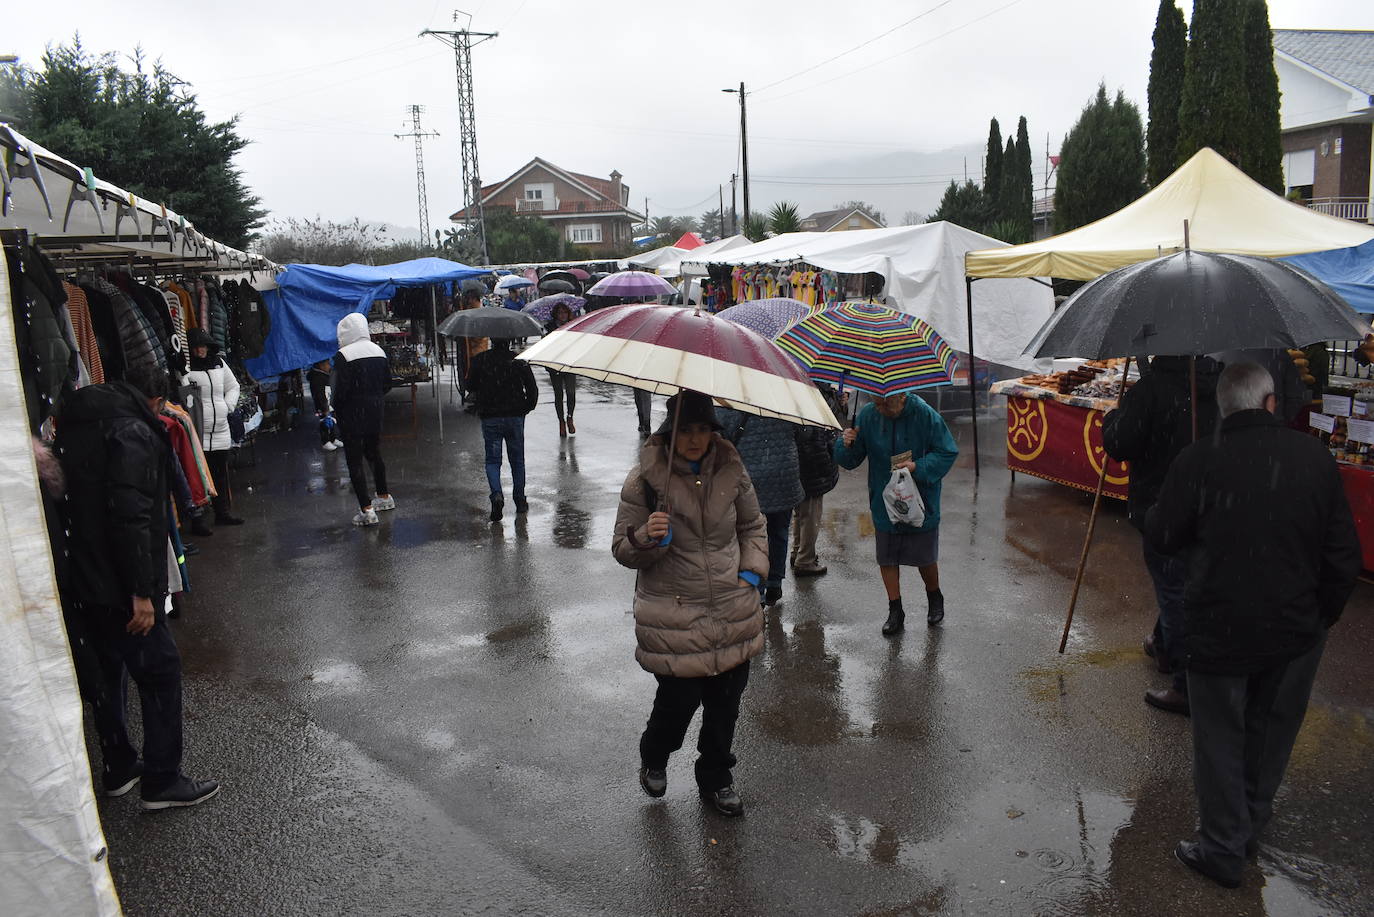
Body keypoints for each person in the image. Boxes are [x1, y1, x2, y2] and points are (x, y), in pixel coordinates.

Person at [1145, 362, 1360, 889]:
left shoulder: (1198, 460)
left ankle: (1223, 845)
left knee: (1219, 738)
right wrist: (1319, 619)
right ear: (1269, 403)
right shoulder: (1313, 456)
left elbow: (1163, 537)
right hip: (1294, 631)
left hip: (1218, 628)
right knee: (1269, 732)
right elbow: (1343, 555)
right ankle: (1248, 825)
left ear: (1223, 406)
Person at [53, 364, 220, 810]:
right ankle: (162, 780)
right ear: (158, 403)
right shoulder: (134, 433)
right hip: (119, 581)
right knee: (160, 671)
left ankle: (119, 765)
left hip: (82, 574)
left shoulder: (76, 422)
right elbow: (130, 517)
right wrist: (143, 593)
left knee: (108, 673)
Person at [612, 390, 767, 817]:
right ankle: (655, 754)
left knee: (725, 709)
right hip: (675, 613)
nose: (696, 439)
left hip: (734, 607)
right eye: (687, 430)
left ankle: (716, 777)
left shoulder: (732, 469)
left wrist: (751, 574)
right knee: (677, 704)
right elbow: (623, 551)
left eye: (704, 429)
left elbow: (753, 524)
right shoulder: (644, 480)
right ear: (669, 433)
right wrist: (645, 537)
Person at [1102, 355, 1222, 716]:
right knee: (1181, 580)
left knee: (1173, 589)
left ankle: (1186, 684)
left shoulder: (1152, 388)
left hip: (1161, 504)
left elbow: (1120, 443)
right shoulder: (1217, 384)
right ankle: (1163, 644)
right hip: (1209, 503)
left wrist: (1112, 418)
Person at [834, 391, 958, 635]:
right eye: (876, 403)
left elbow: (947, 451)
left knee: (924, 556)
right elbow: (851, 460)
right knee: (887, 556)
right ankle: (895, 609)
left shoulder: (924, 414)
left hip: (920, 497)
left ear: (901, 396)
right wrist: (844, 443)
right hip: (885, 498)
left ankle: (934, 596)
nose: (880, 408)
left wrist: (917, 467)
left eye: (886, 404)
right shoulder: (868, 415)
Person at [717, 408, 803, 606]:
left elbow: (723, 435)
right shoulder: (787, 401)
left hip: (751, 476)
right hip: (784, 473)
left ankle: (758, 588)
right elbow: (802, 433)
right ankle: (774, 581)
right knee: (779, 532)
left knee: (752, 535)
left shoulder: (731, 402)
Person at [331, 313, 395, 527]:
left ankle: (366, 509)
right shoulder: (378, 351)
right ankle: (384, 496)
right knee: (374, 453)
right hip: (375, 411)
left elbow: (340, 391)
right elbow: (388, 383)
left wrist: (337, 408)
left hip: (351, 414)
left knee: (354, 459)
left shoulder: (343, 355)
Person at [466, 336, 539, 521]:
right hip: (515, 416)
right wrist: (525, 408)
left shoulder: (480, 360)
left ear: (492, 339)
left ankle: (497, 495)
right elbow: (532, 389)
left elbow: (470, 386)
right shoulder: (518, 361)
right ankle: (520, 500)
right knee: (517, 461)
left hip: (491, 417)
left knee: (492, 461)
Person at [182, 328, 243, 527]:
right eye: (197, 347)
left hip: (220, 428)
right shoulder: (186, 369)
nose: (201, 350)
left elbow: (233, 386)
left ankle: (222, 512)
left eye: (203, 346)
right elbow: (184, 394)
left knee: (219, 474)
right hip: (199, 431)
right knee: (196, 475)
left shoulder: (219, 363)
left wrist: (227, 406)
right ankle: (198, 519)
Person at [791, 383, 844, 577]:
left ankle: (798, 552)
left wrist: (838, 401)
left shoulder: (811, 385)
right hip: (812, 457)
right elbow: (823, 423)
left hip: (805, 457)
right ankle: (805, 560)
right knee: (811, 513)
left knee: (802, 511)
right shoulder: (812, 389)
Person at [543, 302, 578, 437]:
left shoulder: (574, 326)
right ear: (556, 315)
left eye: (565, 312)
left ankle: (570, 417)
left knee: (571, 392)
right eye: (560, 313)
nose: (562, 315)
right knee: (558, 394)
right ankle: (561, 421)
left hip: (569, 363)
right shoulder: (549, 328)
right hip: (555, 364)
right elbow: (545, 346)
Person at [307, 358, 341, 451]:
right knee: (324, 421)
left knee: (332, 420)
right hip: (322, 404)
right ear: (321, 366)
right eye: (327, 364)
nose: (329, 366)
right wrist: (324, 407)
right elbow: (319, 394)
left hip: (329, 401)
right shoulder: (317, 378)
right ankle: (325, 441)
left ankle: (333, 438)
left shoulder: (324, 374)